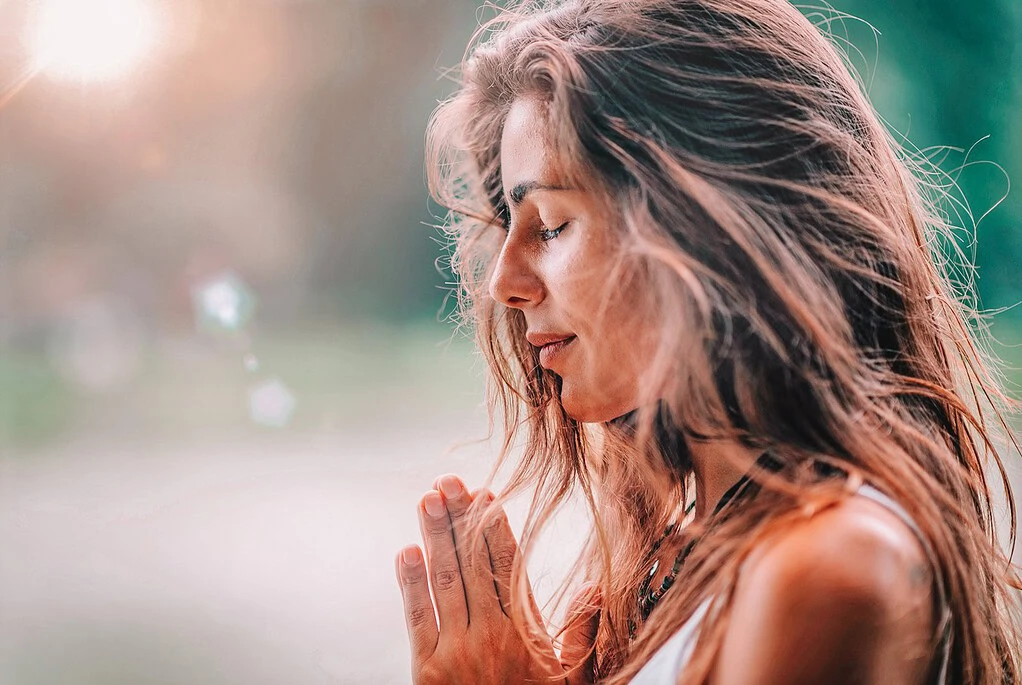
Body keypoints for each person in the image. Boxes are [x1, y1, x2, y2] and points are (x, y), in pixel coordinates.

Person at [392, 1, 1022, 682]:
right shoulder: (664, 569)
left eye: (548, 224)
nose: (504, 285)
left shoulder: (827, 570)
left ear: (698, 221)